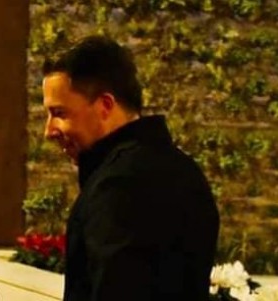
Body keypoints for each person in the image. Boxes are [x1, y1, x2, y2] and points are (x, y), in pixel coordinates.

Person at [42, 35, 220, 301]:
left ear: (105, 106)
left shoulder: (120, 186)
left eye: (59, 113)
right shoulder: (184, 170)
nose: (48, 131)